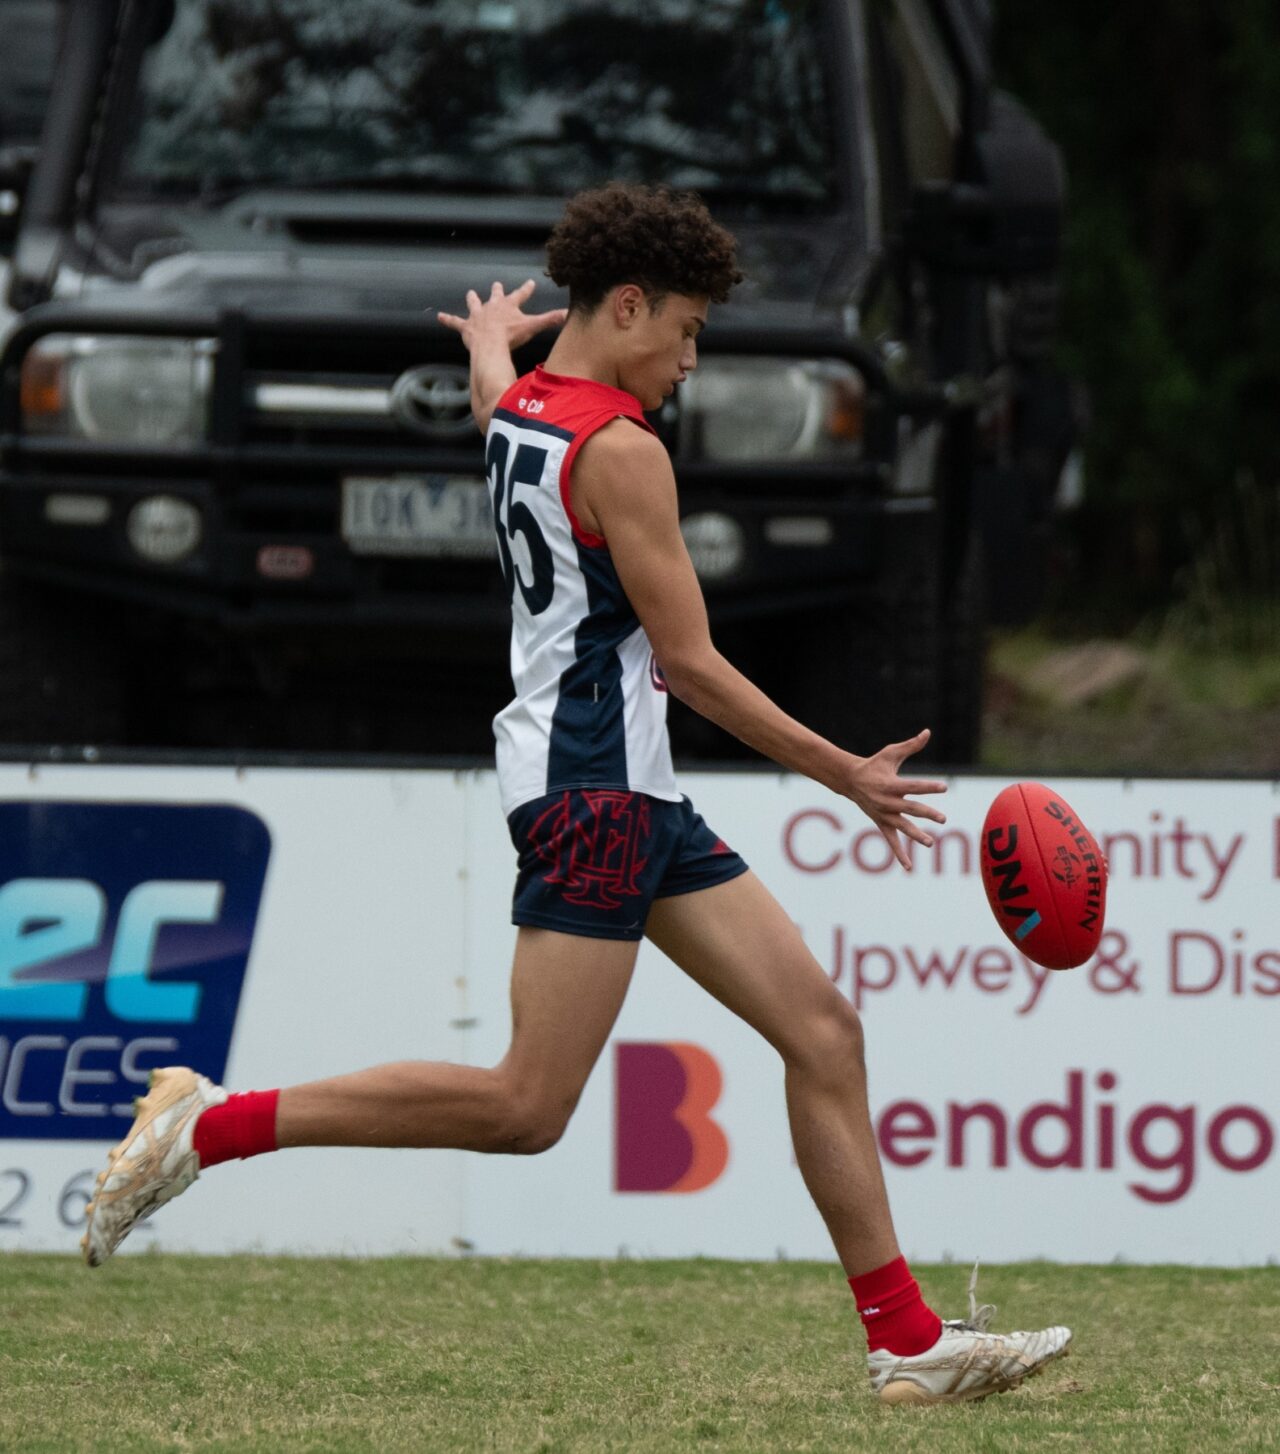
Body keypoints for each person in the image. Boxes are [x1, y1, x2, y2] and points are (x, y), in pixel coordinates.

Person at [82, 182, 1070, 1406]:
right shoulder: (625, 452)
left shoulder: (530, 412)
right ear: (628, 305)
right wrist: (846, 772)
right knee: (524, 1105)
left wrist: (490, 345)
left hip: (628, 788)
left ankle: (905, 1341)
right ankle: (206, 1125)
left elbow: (497, 405)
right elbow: (691, 664)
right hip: (594, 792)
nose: (691, 359)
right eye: (687, 330)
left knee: (822, 1031)